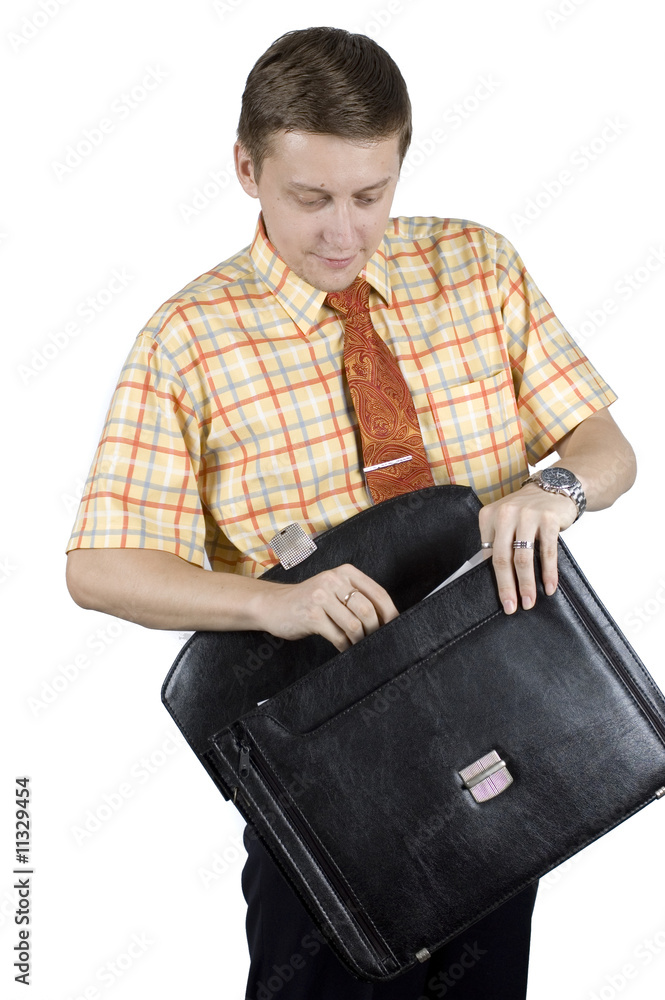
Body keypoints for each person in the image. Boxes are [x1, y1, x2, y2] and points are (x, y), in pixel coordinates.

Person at [66, 26, 636, 1000]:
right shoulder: (187, 340)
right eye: (310, 198)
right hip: (324, 766)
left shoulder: (478, 266)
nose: (343, 231)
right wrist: (271, 602)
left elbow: (605, 450)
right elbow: (98, 567)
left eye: (370, 195)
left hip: (500, 728)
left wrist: (557, 490)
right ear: (246, 168)